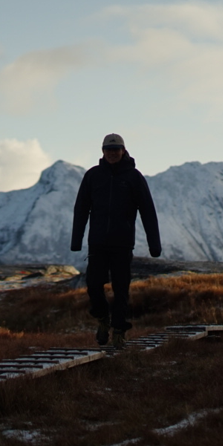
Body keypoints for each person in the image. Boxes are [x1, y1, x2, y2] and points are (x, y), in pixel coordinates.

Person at [70, 133, 161, 347]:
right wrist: (76, 240)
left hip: (122, 243)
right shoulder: (93, 176)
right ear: (103, 152)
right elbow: (81, 209)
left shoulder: (134, 177)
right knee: (93, 285)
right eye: (108, 150)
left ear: (123, 151)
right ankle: (103, 319)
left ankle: (119, 331)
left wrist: (154, 244)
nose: (112, 153)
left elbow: (148, 211)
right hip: (98, 243)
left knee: (121, 289)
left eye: (116, 149)